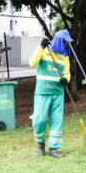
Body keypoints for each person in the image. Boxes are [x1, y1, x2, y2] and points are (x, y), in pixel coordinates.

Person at [29, 29, 73, 158]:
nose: (67, 45)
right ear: (59, 41)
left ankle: (54, 148)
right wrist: (41, 46)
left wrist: (66, 79)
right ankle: (40, 144)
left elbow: (67, 72)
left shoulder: (65, 56)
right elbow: (32, 63)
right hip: (42, 92)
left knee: (57, 120)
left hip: (58, 93)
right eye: (65, 42)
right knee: (40, 119)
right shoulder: (44, 50)